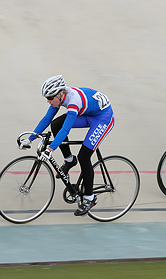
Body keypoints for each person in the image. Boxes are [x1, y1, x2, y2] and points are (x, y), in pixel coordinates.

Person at [26, 75, 115, 216]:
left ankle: (90, 198)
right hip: (89, 113)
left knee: (84, 156)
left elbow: (65, 130)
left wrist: (50, 149)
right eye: (46, 98)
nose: (48, 101)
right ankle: (69, 160)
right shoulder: (60, 98)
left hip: (103, 118)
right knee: (55, 124)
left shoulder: (73, 101)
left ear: (60, 94)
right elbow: (47, 119)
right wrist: (30, 138)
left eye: (50, 98)